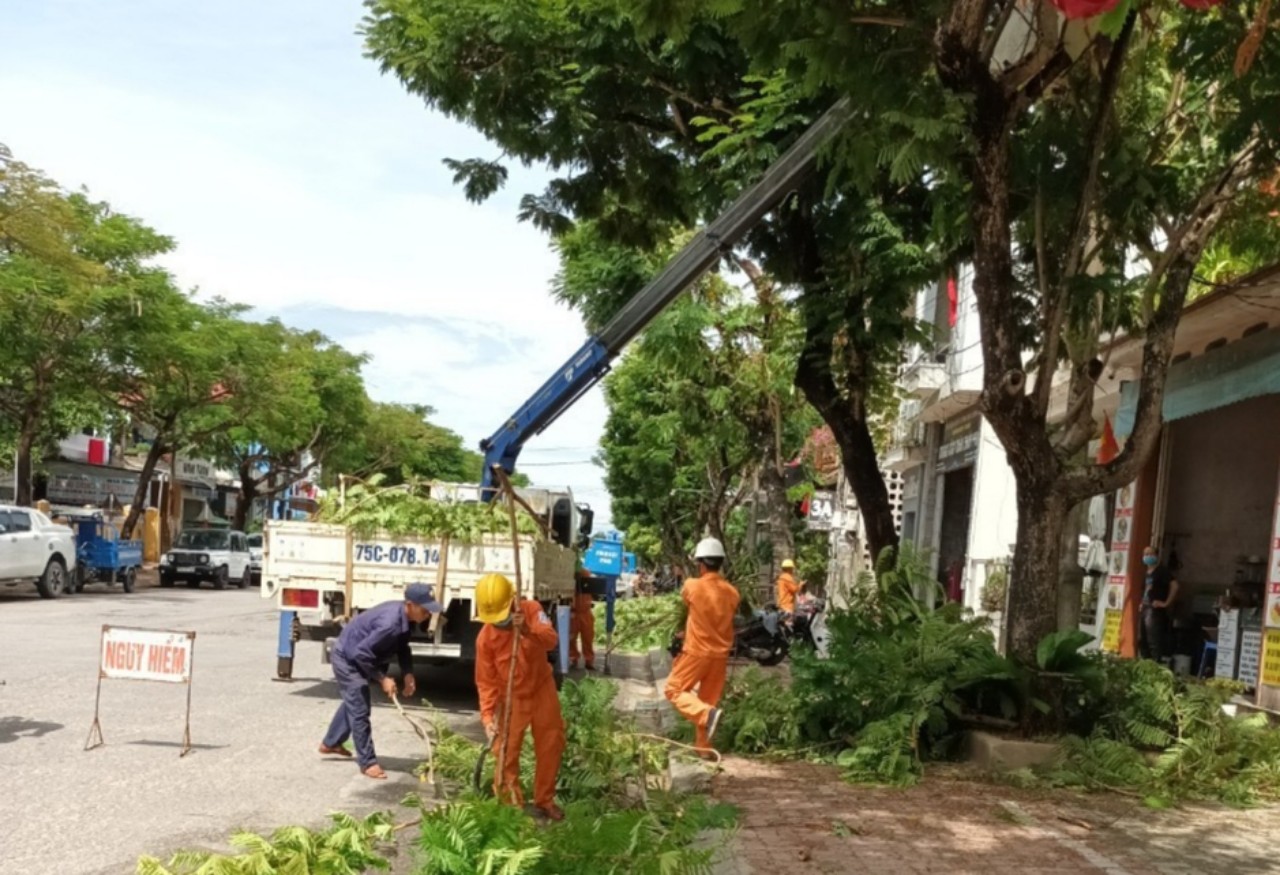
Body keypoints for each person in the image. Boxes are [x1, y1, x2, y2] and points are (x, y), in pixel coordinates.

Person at [319, 583, 441, 779]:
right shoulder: (390, 625)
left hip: (360, 655)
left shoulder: (405, 618)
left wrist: (408, 673)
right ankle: (368, 763)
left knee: (355, 700)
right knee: (360, 707)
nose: (428, 614)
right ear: (410, 605)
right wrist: (382, 679)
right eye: (425, 609)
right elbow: (360, 653)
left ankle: (331, 743)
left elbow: (403, 647)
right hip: (347, 657)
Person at [474, 572, 566, 821]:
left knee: (551, 743)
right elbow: (485, 682)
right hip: (511, 698)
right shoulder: (485, 639)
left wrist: (526, 630)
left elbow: (551, 641)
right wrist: (488, 718)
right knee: (505, 753)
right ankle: (511, 810)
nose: (499, 622)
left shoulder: (532, 610)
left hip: (542, 689)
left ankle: (545, 800)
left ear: (513, 601)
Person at [665, 537, 741, 756]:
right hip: (720, 655)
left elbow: (691, 606)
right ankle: (704, 749)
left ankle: (707, 715)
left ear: (701, 564)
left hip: (697, 652)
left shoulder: (692, 586)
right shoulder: (732, 592)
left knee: (674, 689)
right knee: (708, 700)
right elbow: (712, 618)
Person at [1139, 545, 1179, 664]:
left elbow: (1175, 586)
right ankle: (1145, 666)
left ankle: (1155, 667)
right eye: (1145, 554)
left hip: (1155, 611)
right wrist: (1141, 603)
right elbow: (1146, 590)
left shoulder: (1162, 571)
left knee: (1154, 641)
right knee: (1143, 640)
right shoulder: (1146, 573)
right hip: (1145, 608)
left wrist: (1166, 603)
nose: (1147, 556)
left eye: (1150, 554)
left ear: (1156, 556)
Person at [569, 569, 596, 671]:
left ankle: (588, 661)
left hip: (585, 613)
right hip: (574, 613)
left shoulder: (585, 575)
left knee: (587, 639)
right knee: (571, 639)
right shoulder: (571, 581)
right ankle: (573, 659)